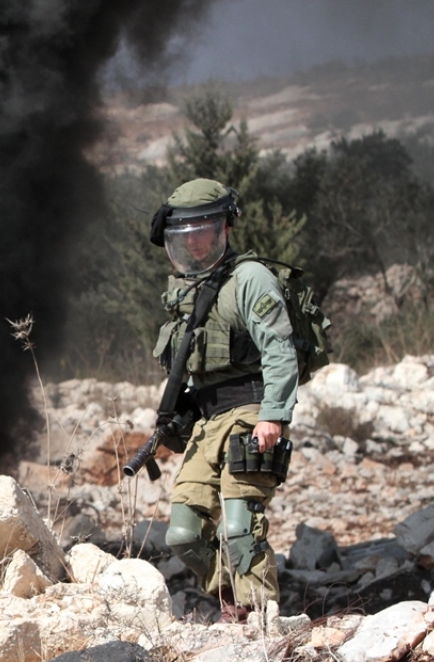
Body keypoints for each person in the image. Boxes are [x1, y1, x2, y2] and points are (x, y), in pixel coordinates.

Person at [150, 178, 299, 623]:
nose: (193, 241)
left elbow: (279, 349)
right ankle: (230, 591)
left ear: (224, 229)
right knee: (182, 533)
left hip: (252, 413)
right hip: (208, 422)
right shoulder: (185, 290)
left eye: (203, 230)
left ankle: (256, 617)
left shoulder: (250, 279)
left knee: (239, 527)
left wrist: (274, 415)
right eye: (184, 234)